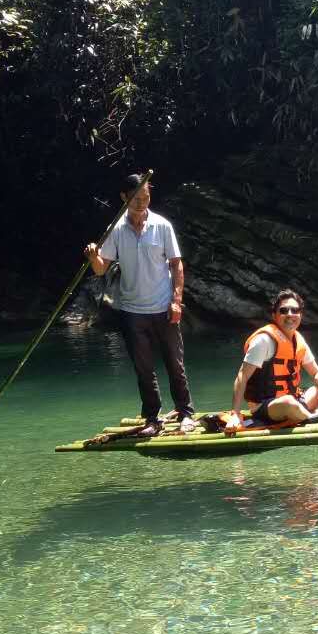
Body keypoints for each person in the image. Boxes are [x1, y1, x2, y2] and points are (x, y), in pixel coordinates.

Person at [85, 172, 196, 437]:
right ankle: (153, 418)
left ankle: (185, 413)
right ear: (124, 198)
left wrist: (176, 301)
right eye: (136, 198)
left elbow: (176, 264)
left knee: (175, 364)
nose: (142, 202)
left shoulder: (162, 225)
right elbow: (101, 270)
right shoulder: (116, 230)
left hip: (163, 306)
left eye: (146, 197)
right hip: (133, 311)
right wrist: (92, 256)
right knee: (143, 369)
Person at [229, 289, 318, 429]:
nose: (290, 314)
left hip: (296, 400)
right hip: (267, 406)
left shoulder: (298, 340)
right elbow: (243, 376)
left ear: (300, 315)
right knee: (288, 402)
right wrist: (235, 413)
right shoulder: (264, 341)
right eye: (284, 310)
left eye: (295, 310)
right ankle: (314, 417)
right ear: (275, 315)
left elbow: (316, 372)